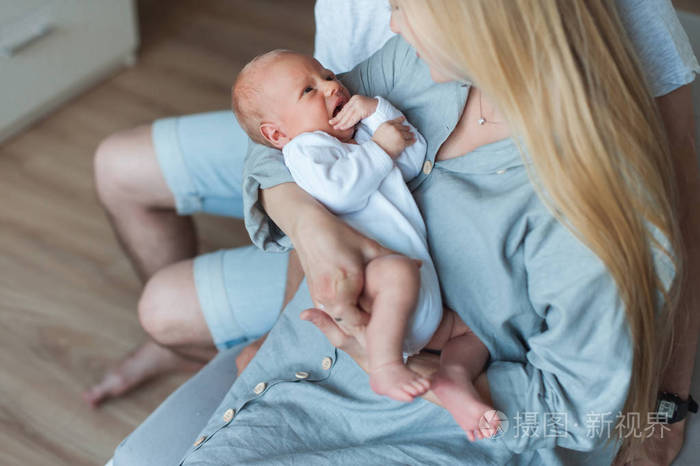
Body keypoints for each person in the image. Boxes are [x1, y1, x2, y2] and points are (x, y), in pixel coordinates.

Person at [100, 0, 700, 464]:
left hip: (435, 434)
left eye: (404, 6)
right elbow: (273, 148)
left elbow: (578, 419)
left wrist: (428, 375)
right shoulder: (410, 66)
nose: (388, 19)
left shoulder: (592, 201)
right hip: (295, 388)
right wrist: (311, 226)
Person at [232, 49, 497, 432]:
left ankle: (454, 377)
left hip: (418, 305)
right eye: (310, 89)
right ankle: (386, 365)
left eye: (325, 75)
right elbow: (340, 192)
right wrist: (379, 149)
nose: (331, 85)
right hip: (376, 285)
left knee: (473, 332)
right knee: (398, 273)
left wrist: (376, 112)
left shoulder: (353, 139)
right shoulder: (305, 150)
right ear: (277, 134)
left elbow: (411, 158)